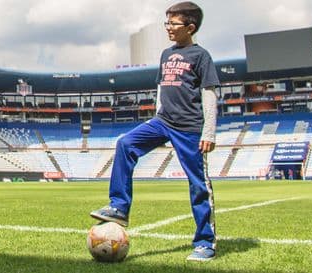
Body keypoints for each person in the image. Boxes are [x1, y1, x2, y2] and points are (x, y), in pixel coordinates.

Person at [89, 1, 220, 261]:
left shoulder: (201, 56)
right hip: (162, 121)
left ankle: (205, 242)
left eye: (174, 23)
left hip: (190, 127)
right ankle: (119, 206)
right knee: (126, 143)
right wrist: (157, 116)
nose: (168, 28)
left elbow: (209, 93)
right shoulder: (166, 54)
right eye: (167, 22)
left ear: (190, 27)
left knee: (198, 185)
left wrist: (209, 132)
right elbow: (161, 88)